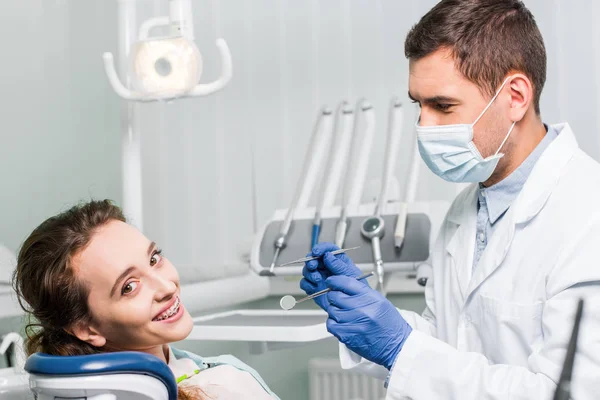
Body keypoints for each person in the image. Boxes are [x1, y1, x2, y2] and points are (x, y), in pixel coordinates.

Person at [301, 0, 600, 399]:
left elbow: (568, 392)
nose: (424, 126)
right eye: (418, 105)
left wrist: (400, 347)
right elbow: (451, 341)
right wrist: (372, 318)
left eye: (442, 106)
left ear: (515, 96)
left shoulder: (586, 213)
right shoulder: (466, 208)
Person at [13, 199, 279, 400]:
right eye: (129, 287)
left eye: (154, 259)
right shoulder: (223, 385)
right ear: (86, 329)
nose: (166, 286)